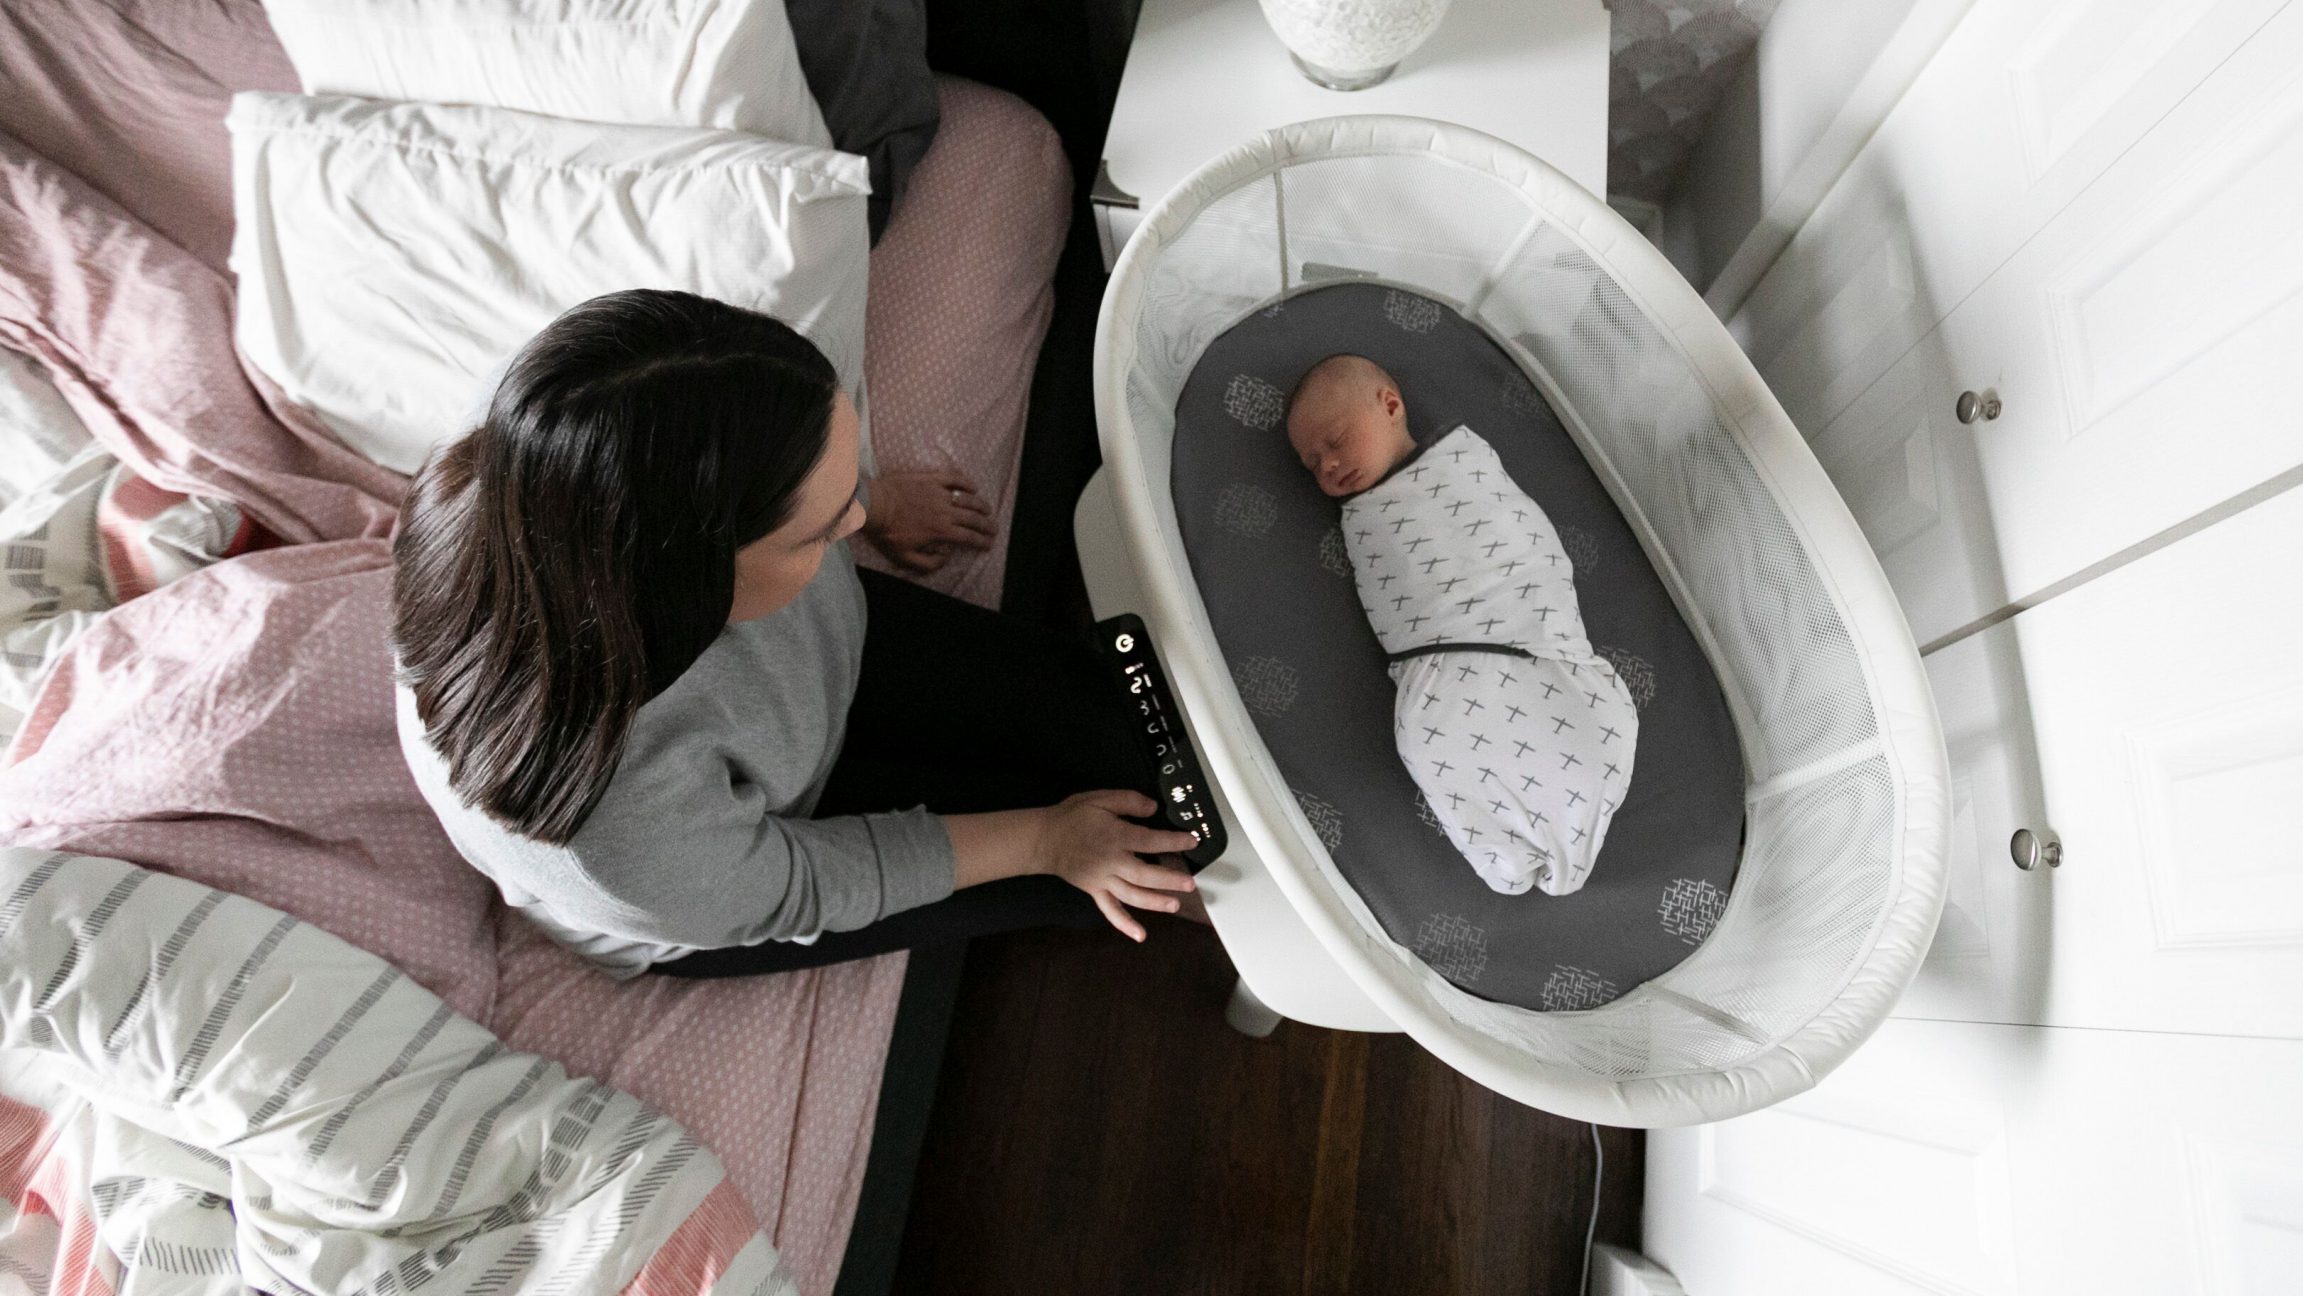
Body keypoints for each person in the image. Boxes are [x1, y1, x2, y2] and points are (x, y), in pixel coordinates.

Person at [390, 288, 1198, 979]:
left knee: (1136, 740)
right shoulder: (608, 835)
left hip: (809, 672)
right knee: (1122, 862)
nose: (849, 524)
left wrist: (872, 501)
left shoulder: (574, 408)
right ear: (696, 576)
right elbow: (800, 886)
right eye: (818, 531)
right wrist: (1047, 841)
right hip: (739, 865)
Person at [1285, 353, 1637, 896]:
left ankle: (1561, 813)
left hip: (1519, 626)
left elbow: (1525, 549)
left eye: (1335, 441)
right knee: (1425, 736)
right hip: (1440, 656)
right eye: (1313, 465)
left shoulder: (1463, 464)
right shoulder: (1363, 519)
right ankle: (1510, 852)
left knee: (1493, 720)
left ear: (1391, 406)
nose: (1329, 466)